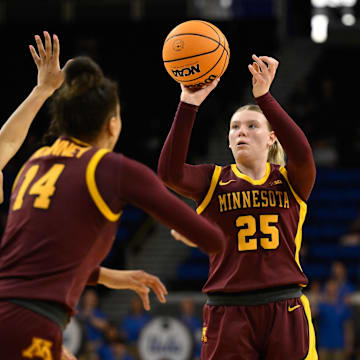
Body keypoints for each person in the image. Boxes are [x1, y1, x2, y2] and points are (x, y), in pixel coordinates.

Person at [0, 32, 225, 360]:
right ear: (113, 124)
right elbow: (213, 240)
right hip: (29, 321)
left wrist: (107, 276)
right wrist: (194, 232)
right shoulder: (110, 169)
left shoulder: (34, 164)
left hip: (17, 315)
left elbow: (40, 258)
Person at [158, 55, 318, 359]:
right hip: (227, 309)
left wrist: (264, 97)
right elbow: (169, 173)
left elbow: (303, 153)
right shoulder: (213, 180)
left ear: (272, 137)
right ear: (228, 141)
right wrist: (188, 102)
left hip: (284, 305)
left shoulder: (291, 180)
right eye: (234, 128)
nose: (241, 131)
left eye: (252, 125)